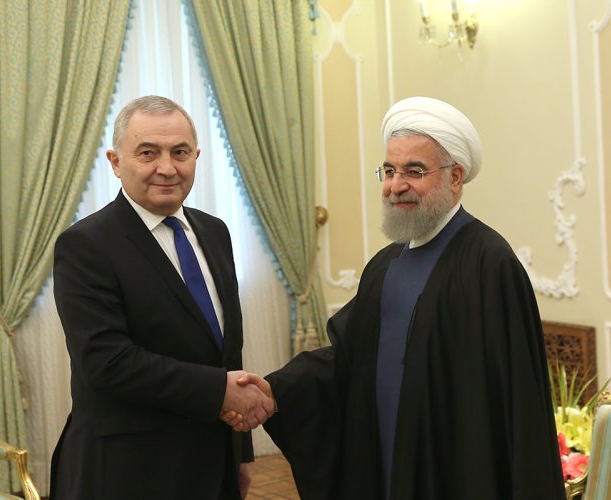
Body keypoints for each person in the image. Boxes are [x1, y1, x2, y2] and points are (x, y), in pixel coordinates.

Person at [225, 96, 566, 499]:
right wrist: (275, 391)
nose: (396, 185)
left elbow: (519, 400)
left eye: (414, 171)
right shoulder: (384, 266)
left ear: (455, 177)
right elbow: (345, 360)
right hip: (381, 463)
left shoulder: (489, 264)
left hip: (455, 473)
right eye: (389, 170)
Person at [49, 95, 274, 500]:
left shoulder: (215, 232)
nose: (167, 168)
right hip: (128, 470)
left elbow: (227, 353)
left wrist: (239, 455)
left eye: (180, 152)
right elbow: (106, 362)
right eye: (148, 153)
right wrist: (218, 390)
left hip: (211, 461)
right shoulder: (85, 244)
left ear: (196, 157)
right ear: (116, 162)